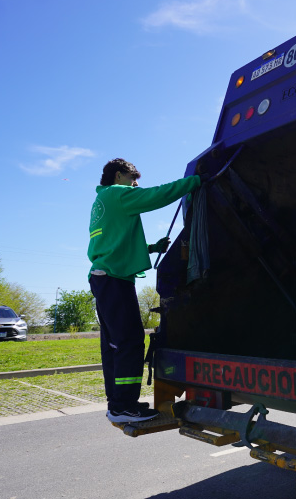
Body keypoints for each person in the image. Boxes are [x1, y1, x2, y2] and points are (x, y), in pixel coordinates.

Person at [88, 158, 203, 424]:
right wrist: (193, 182)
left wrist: (151, 248)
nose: (136, 184)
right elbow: (157, 196)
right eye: (132, 178)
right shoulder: (118, 193)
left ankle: (117, 403)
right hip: (115, 280)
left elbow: (113, 240)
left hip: (104, 277)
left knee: (114, 345)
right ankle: (124, 406)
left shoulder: (101, 201)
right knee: (129, 342)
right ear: (118, 176)